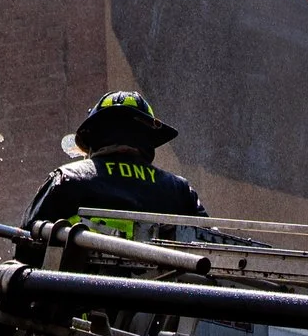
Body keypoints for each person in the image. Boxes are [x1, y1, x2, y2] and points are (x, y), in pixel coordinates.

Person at [25, 91, 209, 239]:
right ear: (149, 138)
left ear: (93, 136)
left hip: (80, 285)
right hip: (164, 285)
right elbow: (214, 250)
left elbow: (26, 246)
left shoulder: (66, 179)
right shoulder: (179, 190)